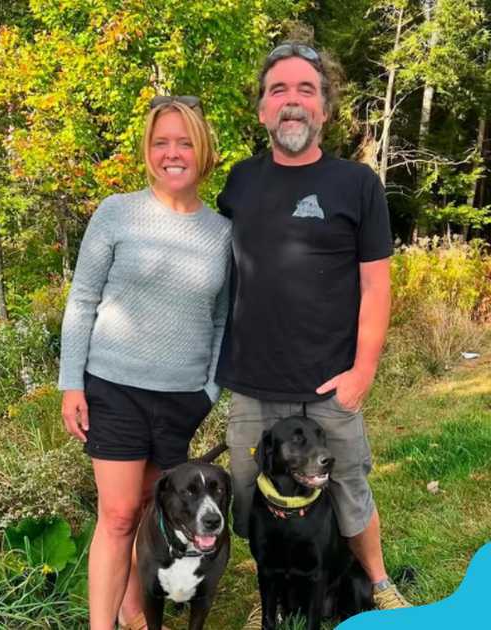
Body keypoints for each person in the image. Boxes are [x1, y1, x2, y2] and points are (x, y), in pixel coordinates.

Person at [213, 42, 412, 629]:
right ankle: (275, 585)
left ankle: (377, 583)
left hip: (331, 382)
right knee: (253, 496)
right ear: (262, 111)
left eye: (306, 90)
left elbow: (376, 286)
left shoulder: (357, 185)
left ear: (325, 109)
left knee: (347, 482)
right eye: (279, 91)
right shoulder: (240, 183)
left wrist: (363, 371)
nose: (292, 102)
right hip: (253, 383)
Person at [59, 96, 232, 630]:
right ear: (148, 151)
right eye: (161, 142)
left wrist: (209, 390)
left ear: (202, 151)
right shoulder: (116, 212)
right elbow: (82, 300)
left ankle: (137, 612)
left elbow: (224, 320)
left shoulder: (223, 233)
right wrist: (71, 383)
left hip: (182, 400)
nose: (172, 153)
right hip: (113, 388)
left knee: (147, 512)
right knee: (115, 516)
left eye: (184, 142)